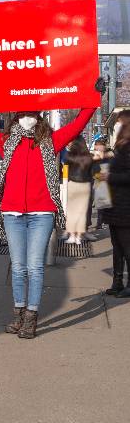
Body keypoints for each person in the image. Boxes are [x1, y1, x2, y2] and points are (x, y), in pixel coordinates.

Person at [0, 106, 96, 338]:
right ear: (16, 117)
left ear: (39, 117)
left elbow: (77, 125)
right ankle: (19, 314)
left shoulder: (50, 140)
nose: (27, 119)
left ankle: (31, 318)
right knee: (18, 267)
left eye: (32, 114)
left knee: (34, 267)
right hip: (12, 214)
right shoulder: (6, 141)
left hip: (41, 213)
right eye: (23, 114)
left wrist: (93, 101)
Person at [97, 110, 130, 297]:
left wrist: (111, 176)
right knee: (117, 245)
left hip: (125, 205)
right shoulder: (121, 146)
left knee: (126, 246)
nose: (116, 125)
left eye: (119, 122)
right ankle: (117, 281)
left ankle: (127, 284)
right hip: (116, 204)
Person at [62, 136, 94, 244]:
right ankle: (79, 236)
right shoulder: (89, 157)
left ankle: (72, 236)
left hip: (73, 184)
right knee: (82, 212)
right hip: (85, 185)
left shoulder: (69, 156)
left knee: (72, 211)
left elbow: (64, 168)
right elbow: (91, 172)